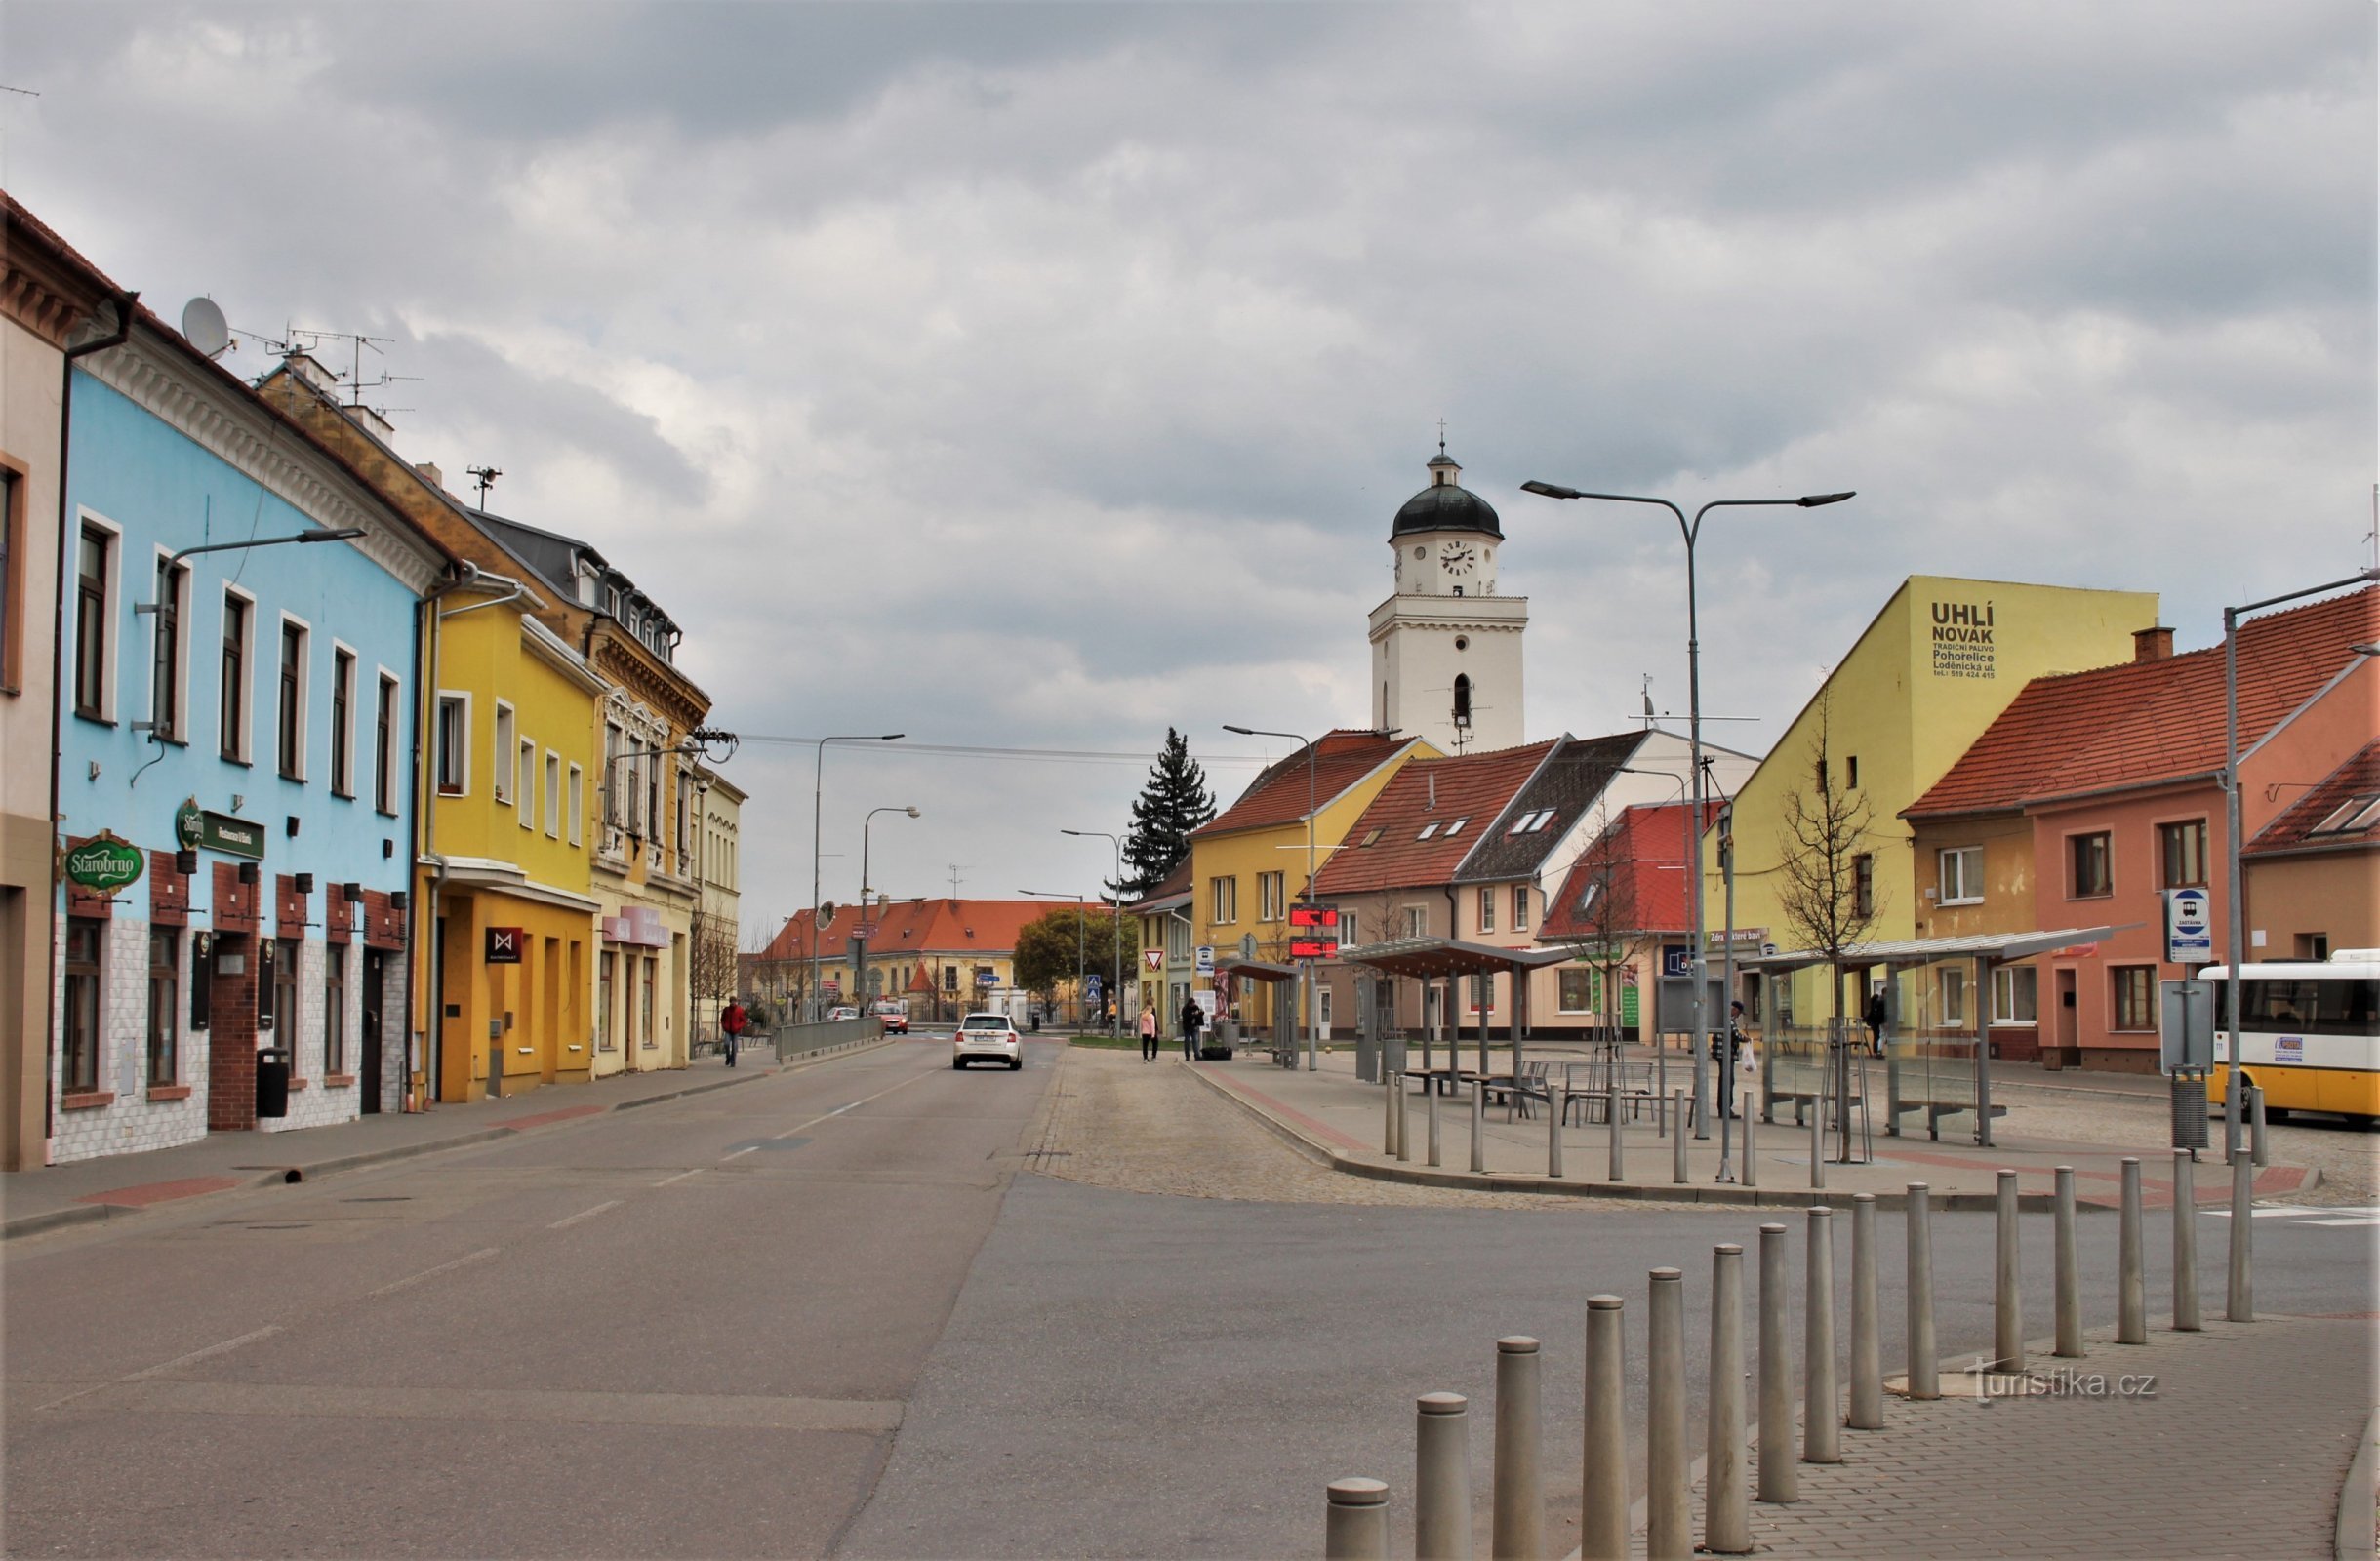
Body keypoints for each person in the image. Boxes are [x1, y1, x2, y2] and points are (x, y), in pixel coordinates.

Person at [719, 999, 749, 1067]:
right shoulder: (726, 1010)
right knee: (726, 1044)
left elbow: (743, 1020)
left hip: (735, 1031)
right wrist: (724, 1026)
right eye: (732, 1001)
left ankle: (733, 1061)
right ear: (730, 1002)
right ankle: (728, 1057)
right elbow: (722, 1019)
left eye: (734, 1001)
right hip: (728, 1030)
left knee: (734, 1046)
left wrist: (739, 1027)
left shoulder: (739, 1010)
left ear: (736, 1002)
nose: (733, 1003)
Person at [1863, 987, 1887, 1057]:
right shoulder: (1880, 1002)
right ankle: (1877, 1052)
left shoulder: (1877, 1002)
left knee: (1877, 1036)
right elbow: (1880, 1014)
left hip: (1875, 1023)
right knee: (1878, 1036)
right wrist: (1883, 1021)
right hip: (1876, 1023)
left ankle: (1876, 1052)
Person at [1180, 995, 1203, 1061]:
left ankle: (1197, 1055)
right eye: (1192, 1004)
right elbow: (1187, 1017)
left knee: (1195, 1041)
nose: (1193, 1005)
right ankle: (1187, 1056)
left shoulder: (1196, 1007)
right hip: (1187, 1028)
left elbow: (1199, 1013)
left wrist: (1201, 1013)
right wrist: (1194, 1015)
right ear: (1190, 1003)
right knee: (1187, 1042)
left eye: (1194, 1004)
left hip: (1194, 1027)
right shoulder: (1185, 1009)